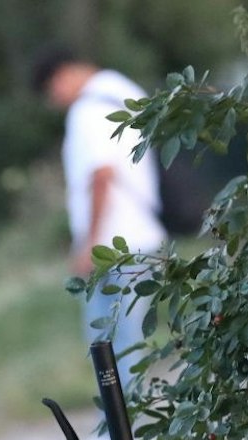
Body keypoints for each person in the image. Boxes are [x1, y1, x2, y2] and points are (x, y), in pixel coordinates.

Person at [32, 48, 168, 355]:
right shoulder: (122, 92)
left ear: (62, 75)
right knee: (128, 343)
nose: (54, 102)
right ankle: (129, 403)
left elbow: (101, 174)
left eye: (50, 92)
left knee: (109, 350)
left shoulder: (88, 110)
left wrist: (90, 244)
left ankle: (120, 406)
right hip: (142, 234)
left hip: (113, 246)